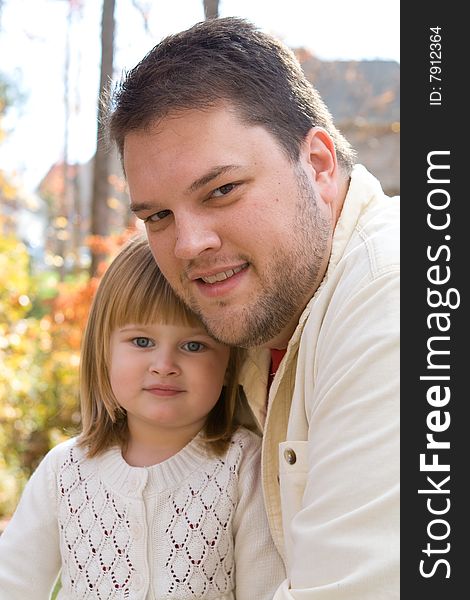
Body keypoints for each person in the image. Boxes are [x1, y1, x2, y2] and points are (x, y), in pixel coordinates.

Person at [108, 16, 400, 599]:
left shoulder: (395, 295)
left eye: (221, 191)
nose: (188, 245)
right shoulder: (246, 320)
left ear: (317, 164)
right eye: (157, 217)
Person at [0, 237, 285, 600]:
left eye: (193, 346)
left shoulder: (245, 467)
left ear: (230, 365)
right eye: (141, 341)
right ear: (104, 352)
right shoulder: (64, 472)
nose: (164, 366)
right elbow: (12, 586)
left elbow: (266, 591)